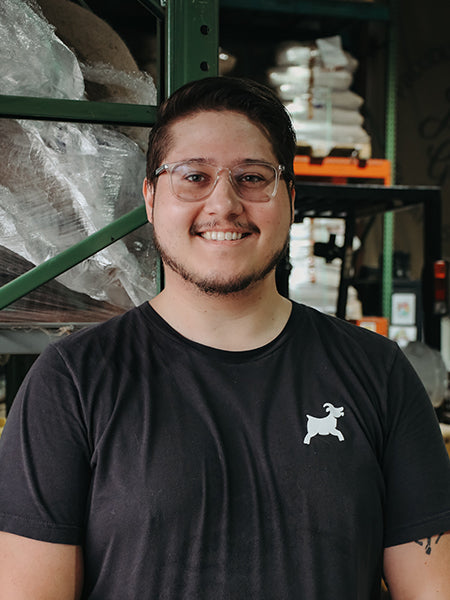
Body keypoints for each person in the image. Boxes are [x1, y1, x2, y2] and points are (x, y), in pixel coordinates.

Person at [0, 76, 450, 600]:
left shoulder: (379, 373)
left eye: (253, 177)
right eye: (193, 176)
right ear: (150, 199)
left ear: (290, 200)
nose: (224, 203)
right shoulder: (72, 382)